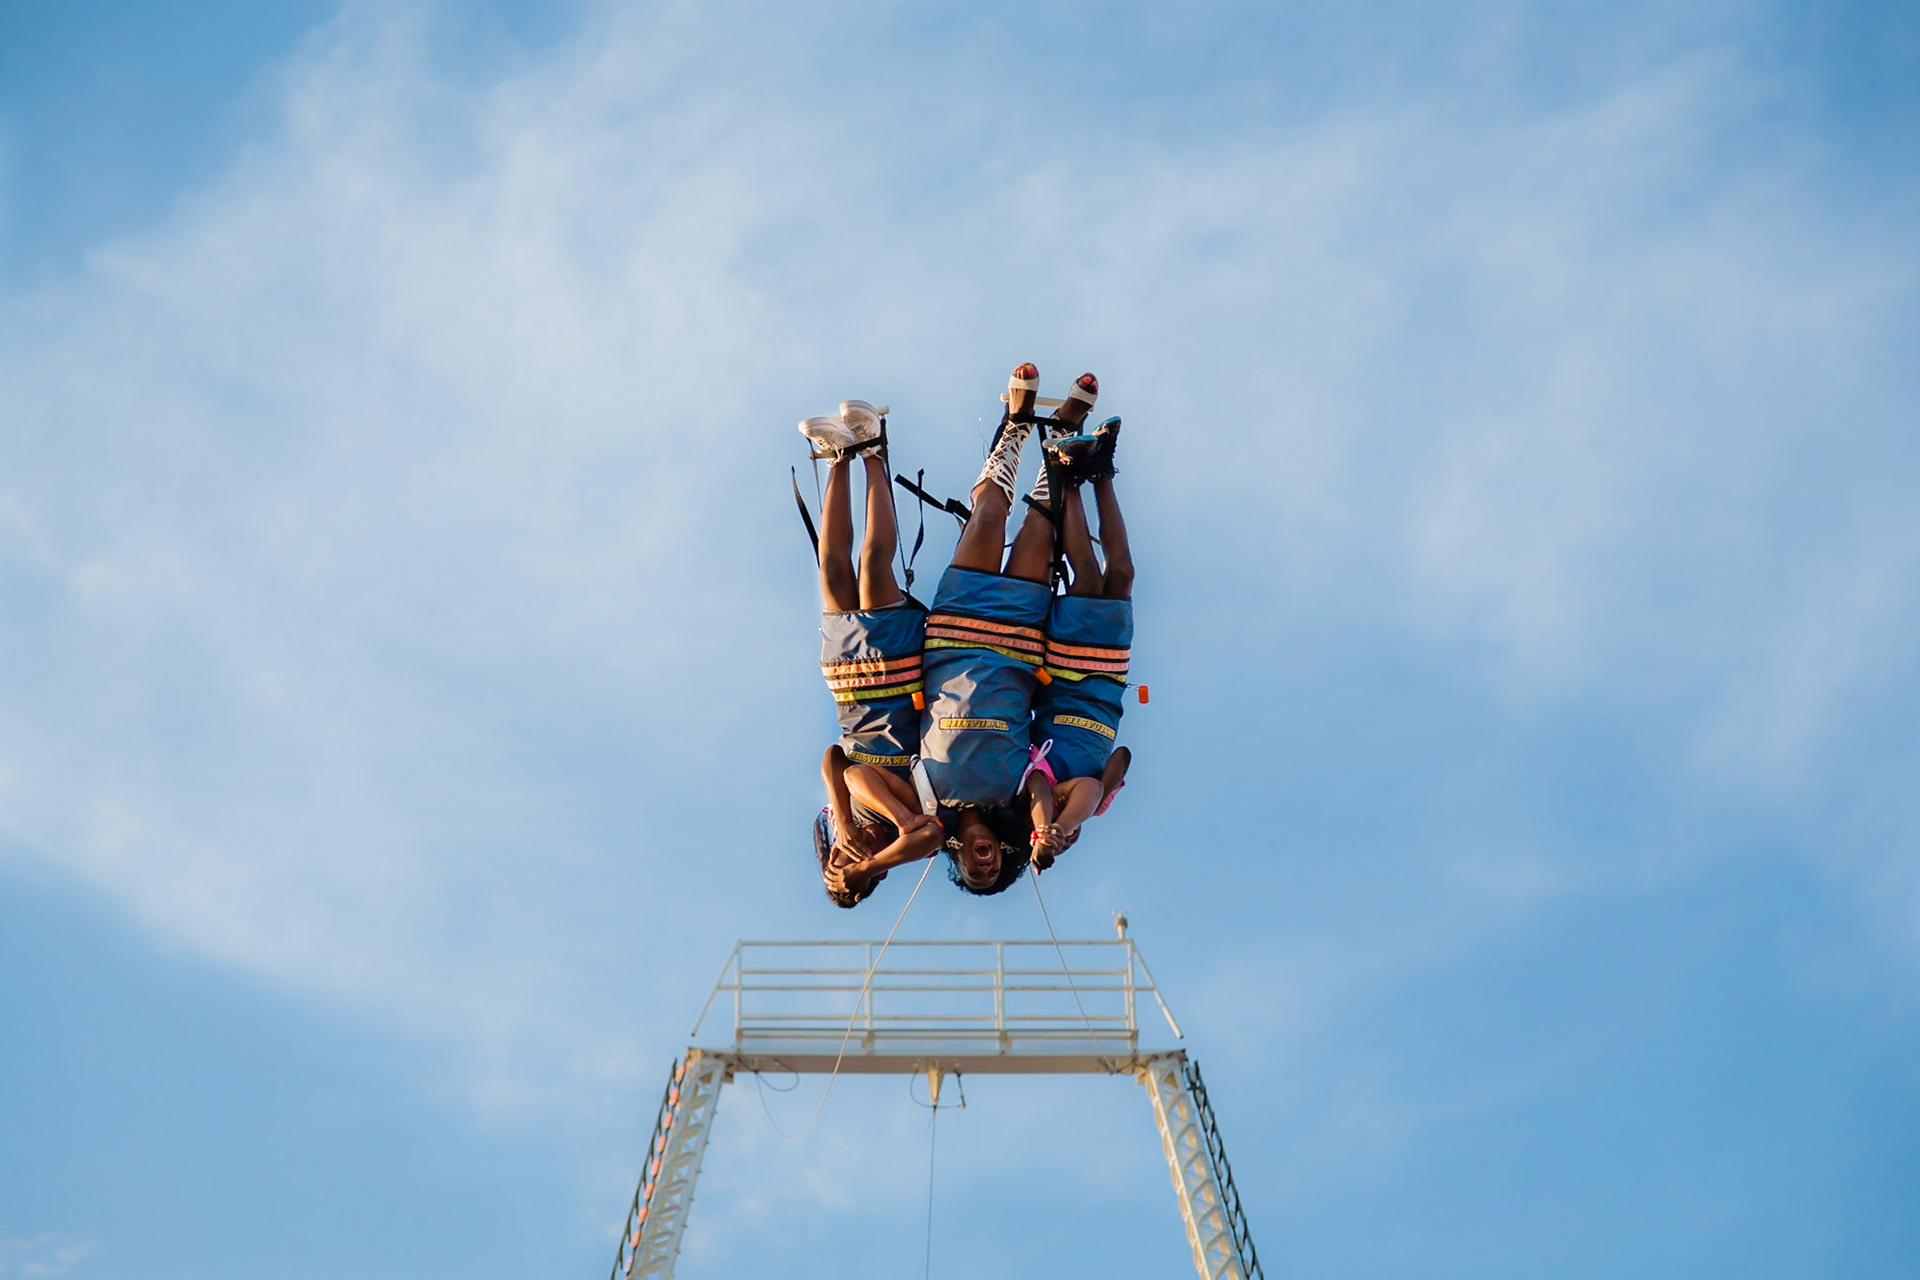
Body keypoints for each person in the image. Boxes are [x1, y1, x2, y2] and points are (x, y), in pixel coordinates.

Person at [915, 364, 1099, 894]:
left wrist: (859, 865)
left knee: (990, 513)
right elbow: (1053, 796)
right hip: (1019, 639)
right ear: (1005, 855)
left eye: (975, 871)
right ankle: (1063, 430)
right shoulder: (1018, 798)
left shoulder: (929, 801)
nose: (985, 863)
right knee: (1041, 521)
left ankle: (1016, 424)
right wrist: (1048, 833)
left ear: (959, 859)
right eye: (994, 870)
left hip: (955, 631)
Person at [801, 401, 945, 906]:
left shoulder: (845, 815)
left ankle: (839, 457)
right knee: (872, 564)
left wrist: (841, 818)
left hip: (850, 689)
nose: (845, 862)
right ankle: (874, 452)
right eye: (850, 875)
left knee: (831, 567)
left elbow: (835, 759)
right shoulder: (902, 841)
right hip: (892, 681)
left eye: (833, 867)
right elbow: (933, 836)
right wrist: (875, 860)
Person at [1025, 413, 1135, 869]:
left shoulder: (1037, 779)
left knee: (1087, 575)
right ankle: (1101, 475)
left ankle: (1067, 476)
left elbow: (1039, 794)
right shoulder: (1094, 796)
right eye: (1068, 843)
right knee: (1122, 574)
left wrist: (1044, 829)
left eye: (1052, 836)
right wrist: (1070, 824)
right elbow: (1123, 756)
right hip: (1107, 675)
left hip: (1069, 669)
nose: (1060, 836)